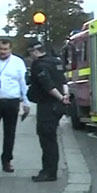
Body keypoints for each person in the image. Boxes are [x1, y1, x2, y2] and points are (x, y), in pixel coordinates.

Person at [0, 39, 30, 173]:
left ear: (10, 49)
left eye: (5, 49)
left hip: (11, 101)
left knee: (10, 133)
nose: (2, 52)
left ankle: (7, 161)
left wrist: (26, 102)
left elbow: (22, 83)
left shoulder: (18, 62)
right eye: (0, 49)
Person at [26, 39, 69, 182]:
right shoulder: (56, 62)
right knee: (51, 139)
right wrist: (65, 96)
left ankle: (49, 172)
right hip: (58, 106)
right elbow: (63, 81)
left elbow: (48, 85)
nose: (30, 56)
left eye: (30, 53)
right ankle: (50, 171)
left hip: (47, 105)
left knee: (47, 140)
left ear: (34, 51)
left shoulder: (39, 65)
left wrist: (60, 97)